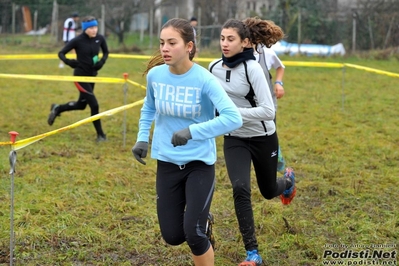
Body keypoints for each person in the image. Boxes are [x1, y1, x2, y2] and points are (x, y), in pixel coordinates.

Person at [131, 18, 242, 266]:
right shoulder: (155, 76)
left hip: (198, 164)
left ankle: (201, 230)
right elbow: (148, 107)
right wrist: (142, 139)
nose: (164, 49)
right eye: (162, 43)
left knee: (194, 233)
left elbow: (233, 118)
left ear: (189, 46)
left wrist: (192, 131)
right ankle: (203, 222)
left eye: (172, 43)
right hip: (167, 162)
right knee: (172, 236)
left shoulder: (204, 79)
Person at [208, 19, 296, 266]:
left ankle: (287, 180)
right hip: (235, 137)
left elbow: (268, 111)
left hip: (263, 137)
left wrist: (233, 114)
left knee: (268, 191)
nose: (225, 43)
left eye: (231, 39)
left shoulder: (253, 69)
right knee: (240, 188)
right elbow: (209, 104)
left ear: (245, 42)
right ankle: (252, 253)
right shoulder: (213, 67)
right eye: (222, 38)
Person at [49, 16, 109, 142]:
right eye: (91, 28)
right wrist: (68, 62)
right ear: (85, 29)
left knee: (81, 105)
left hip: (92, 76)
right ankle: (101, 135)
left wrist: (102, 61)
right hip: (80, 77)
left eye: (96, 27)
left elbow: (106, 52)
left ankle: (57, 108)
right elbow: (61, 53)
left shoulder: (100, 38)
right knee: (94, 104)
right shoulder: (77, 40)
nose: (94, 30)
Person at [243, 17, 287, 172]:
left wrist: (278, 83)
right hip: (246, 106)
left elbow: (280, 67)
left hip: (267, 106)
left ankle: (279, 164)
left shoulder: (266, 52)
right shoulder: (237, 53)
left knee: (268, 139)